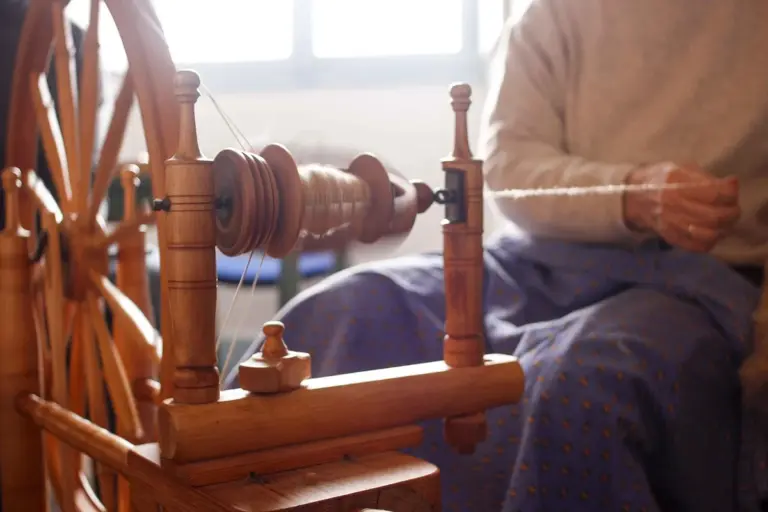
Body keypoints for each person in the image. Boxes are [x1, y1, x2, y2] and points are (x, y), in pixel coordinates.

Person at [226, 1, 768, 510]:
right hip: (528, 259)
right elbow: (510, 164)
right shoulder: (552, 12)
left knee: (580, 386)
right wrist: (629, 193)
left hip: (692, 284)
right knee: (340, 312)